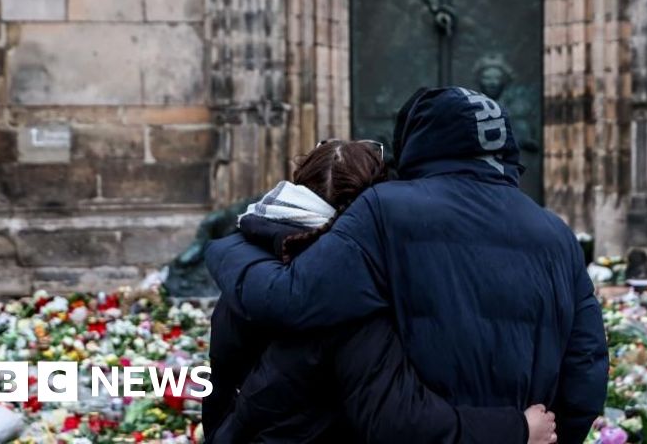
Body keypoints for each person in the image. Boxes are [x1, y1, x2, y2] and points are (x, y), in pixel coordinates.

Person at [206, 87, 609, 444]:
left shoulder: (386, 210)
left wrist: (230, 247)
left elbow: (294, 297)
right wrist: (544, 434)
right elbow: (586, 370)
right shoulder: (557, 233)